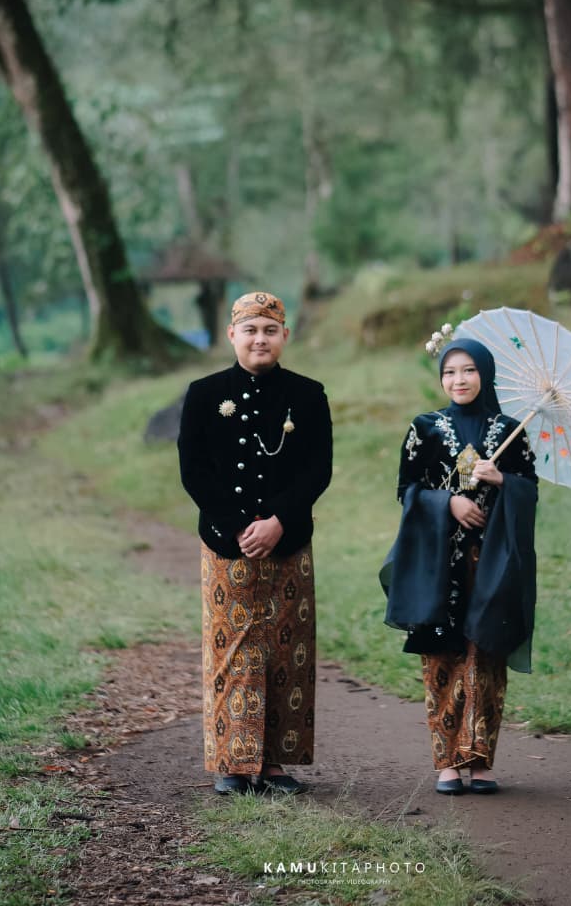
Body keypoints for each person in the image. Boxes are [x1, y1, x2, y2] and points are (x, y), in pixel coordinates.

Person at [178, 290, 333, 796]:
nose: (260, 339)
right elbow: (194, 471)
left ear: (285, 335)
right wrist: (239, 526)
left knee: (286, 651)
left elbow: (318, 468)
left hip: (289, 541)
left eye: (270, 330)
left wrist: (280, 521)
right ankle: (232, 763)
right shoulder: (204, 394)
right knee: (233, 649)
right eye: (250, 330)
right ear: (232, 335)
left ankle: (273, 764)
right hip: (227, 543)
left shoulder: (308, 394)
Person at [383, 337, 538, 796]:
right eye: (450, 372)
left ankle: (480, 762)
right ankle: (447, 762)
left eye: (469, 370)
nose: (459, 380)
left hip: (492, 563)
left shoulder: (511, 429)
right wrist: (448, 503)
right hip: (439, 564)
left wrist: (503, 480)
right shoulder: (425, 428)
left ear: (485, 374)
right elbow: (407, 490)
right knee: (442, 655)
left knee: (486, 653)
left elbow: (530, 489)